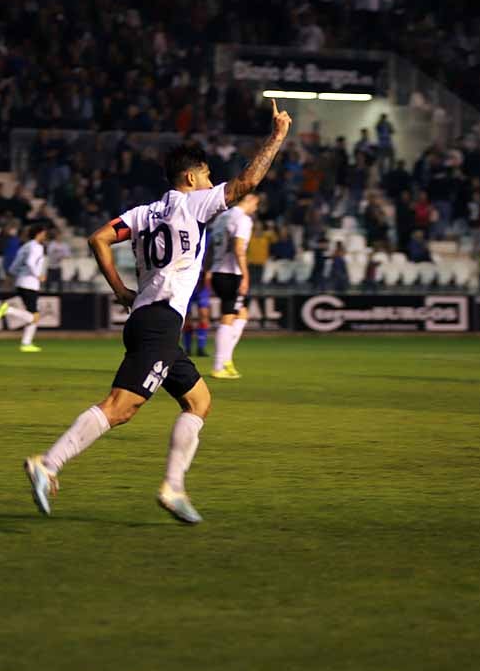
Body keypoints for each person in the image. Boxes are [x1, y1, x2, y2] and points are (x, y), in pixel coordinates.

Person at [23, 99, 291, 525]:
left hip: (148, 318)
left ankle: (173, 487)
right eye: (206, 176)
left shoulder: (142, 213)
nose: (210, 183)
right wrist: (276, 137)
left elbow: (97, 239)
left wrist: (122, 291)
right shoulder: (196, 204)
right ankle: (48, 464)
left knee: (199, 401)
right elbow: (247, 182)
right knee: (120, 407)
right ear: (191, 177)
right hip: (161, 321)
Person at [209, 192, 259, 379]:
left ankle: (226, 360)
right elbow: (239, 249)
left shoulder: (222, 217)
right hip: (232, 273)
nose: (256, 208)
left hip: (217, 270)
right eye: (256, 203)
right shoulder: (243, 220)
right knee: (229, 316)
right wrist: (245, 276)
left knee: (242, 313)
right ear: (250, 200)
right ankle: (219, 365)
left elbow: (211, 245)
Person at [0, 223, 48, 352]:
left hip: (20, 282)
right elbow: (30, 262)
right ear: (39, 234)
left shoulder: (24, 246)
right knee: (34, 317)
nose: (45, 236)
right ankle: (8, 310)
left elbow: (15, 264)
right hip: (30, 283)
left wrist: (9, 277)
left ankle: (26, 343)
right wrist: (38, 275)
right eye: (44, 234)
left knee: (33, 314)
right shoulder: (37, 247)